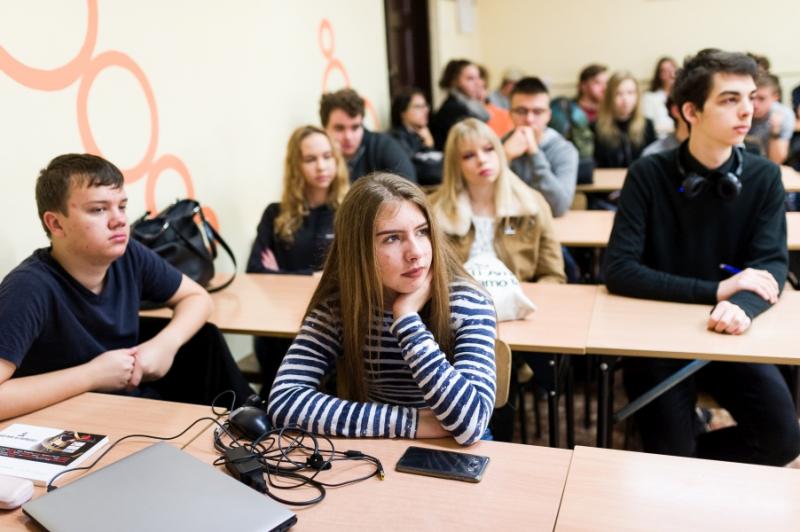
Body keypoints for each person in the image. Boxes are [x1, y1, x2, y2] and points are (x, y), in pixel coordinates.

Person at [603, 49, 800, 466]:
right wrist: (716, 290)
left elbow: (771, 265)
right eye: (730, 99)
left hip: (730, 334)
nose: (747, 111)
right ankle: (676, 463)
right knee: (671, 452)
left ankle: (686, 465)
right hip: (656, 337)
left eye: (750, 98)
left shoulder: (765, 176)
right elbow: (618, 270)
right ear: (690, 111)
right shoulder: (647, 174)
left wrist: (740, 307)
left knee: (784, 441)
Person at [0, 154, 253, 419]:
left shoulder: (129, 255)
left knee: (205, 340)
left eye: (121, 206)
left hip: (125, 409)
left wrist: (165, 344)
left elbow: (197, 297)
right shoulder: (28, 287)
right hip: (66, 424)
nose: (119, 220)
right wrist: (90, 376)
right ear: (55, 223)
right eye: (98, 210)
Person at [267, 173, 497, 446]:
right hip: (382, 444)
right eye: (392, 239)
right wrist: (414, 423)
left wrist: (407, 320)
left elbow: (471, 425)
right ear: (359, 250)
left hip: (458, 450)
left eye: (422, 231)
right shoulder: (341, 306)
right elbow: (284, 401)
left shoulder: (466, 302)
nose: (416, 252)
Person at [246, 126, 349, 393]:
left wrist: (278, 273)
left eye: (327, 156)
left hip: (334, 322)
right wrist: (313, 276)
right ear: (296, 165)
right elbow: (255, 270)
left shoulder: (349, 212)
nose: (321, 166)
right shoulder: (275, 214)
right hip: (280, 325)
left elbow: (349, 274)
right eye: (310, 159)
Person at [503, 76, 579, 217]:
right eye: (521, 111)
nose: (529, 119)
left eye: (537, 112)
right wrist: (503, 157)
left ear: (548, 115)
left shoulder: (564, 150)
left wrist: (534, 153)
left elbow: (559, 207)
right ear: (510, 114)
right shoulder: (498, 146)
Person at [320, 88, 416, 182]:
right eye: (339, 128)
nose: (348, 137)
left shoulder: (382, 146)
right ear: (324, 128)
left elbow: (407, 185)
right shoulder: (317, 157)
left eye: (355, 127)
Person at [548, 64, 607, 183]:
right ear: (583, 86)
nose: (604, 87)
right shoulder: (567, 111)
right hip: (577, 172)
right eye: (597, 83)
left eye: (606, 83)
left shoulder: (609, 113)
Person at [593, 71, 657, 168]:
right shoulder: (596, 127)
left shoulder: (647, 125)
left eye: (630, 93)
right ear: (610, 98)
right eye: (618, 94)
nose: (625, 99)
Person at [430, 59, 490, 150]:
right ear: (454, 82)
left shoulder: (468, 104)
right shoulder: (454, 109)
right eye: (470, 79)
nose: (478, 83)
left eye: (478, 77)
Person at [389, 88, 443, 186]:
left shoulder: (422, 134)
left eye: (425, 106)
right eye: (418, 107)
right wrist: (428, 147)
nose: (425, 110)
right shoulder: (396, 137)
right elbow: (423, 170)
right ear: (403, 112)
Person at [748, 72, 794, 164]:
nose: (755, 104)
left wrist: (775, 131)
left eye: (761, 98)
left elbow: (776, 160)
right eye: (752, 97)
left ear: (775, 97)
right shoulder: (743, 110)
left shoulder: (783, 115)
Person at [642, 57, 678, 139]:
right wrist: (673, 129)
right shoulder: (650, 97)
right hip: (660, 138)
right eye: (664, 71)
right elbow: (650, 125)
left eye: (672, 69)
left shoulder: (683, 95)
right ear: (659, 75)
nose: (670, 73)